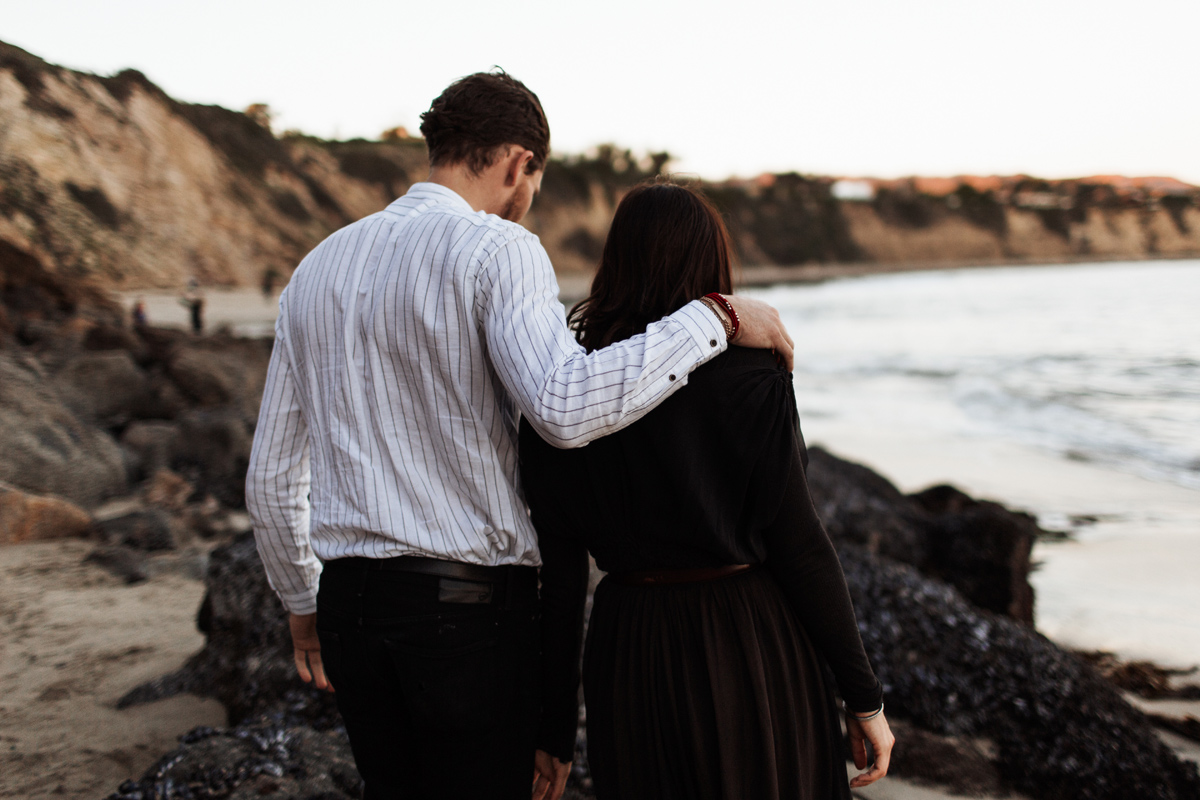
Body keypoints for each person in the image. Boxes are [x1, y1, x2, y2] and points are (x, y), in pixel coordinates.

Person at [245, 71, 794, 800]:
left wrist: (303, 604)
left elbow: (273, 478)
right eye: (535, 178)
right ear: (516, 162)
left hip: (348, 606)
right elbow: (564, 408)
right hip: (464, 614)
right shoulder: (498, 250)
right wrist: (713, 319)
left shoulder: (317, 267)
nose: (529, 198)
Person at [520, 182, 894, 800]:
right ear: (710, 266)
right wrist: (865, 698)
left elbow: (558, 578)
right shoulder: (753, 373)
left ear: (617, 261)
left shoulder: (570, 386)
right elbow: (799, 544)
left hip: (630, 646)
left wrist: (554, 733)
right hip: (746, 641)